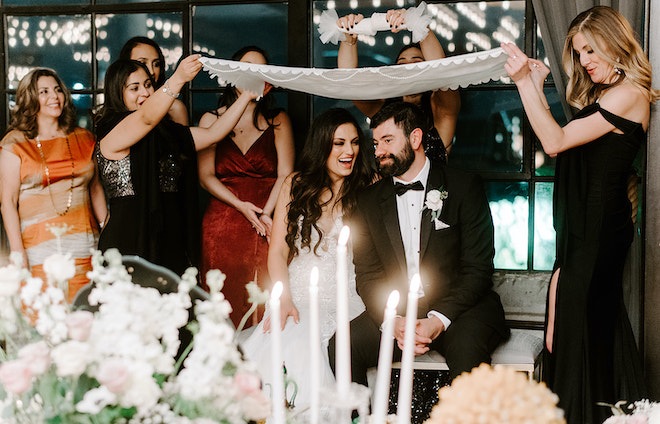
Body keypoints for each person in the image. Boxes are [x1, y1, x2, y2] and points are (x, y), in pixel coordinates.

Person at [501, 6, 656, 424]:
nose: (585, 61)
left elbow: (554, 141)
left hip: (598, 232)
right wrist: (534, 83)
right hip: (583, 232)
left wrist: (522, 84)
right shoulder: (606, 97)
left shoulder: (631, 93)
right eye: (579, 52)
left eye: (590, 49)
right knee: (578, 332)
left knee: (578, 333)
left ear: (614, 41)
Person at [332, 102, 508, 392]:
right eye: (376, 143)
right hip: (400, 312)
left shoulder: (464, 186)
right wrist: (394, 321)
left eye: (388, 141)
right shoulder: (368, 201)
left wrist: (437, 320)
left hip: (461, 310)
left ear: (415, 139)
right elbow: (367, 274)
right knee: (342, 345)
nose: (378, 151)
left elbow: (478, 269)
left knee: (469, 356)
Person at [240, 108, 374, 414]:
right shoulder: (295, 184)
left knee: (320, 344)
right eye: (339, 143)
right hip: (295, 292)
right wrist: (284, 297)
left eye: (354, 142)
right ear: (322, 145)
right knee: (284, 344)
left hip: (347, 296)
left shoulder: (368, 186)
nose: (349, 151)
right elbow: (277, 252)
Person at [95, 56, 259, 276]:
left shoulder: (166, 132)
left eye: (148, 85)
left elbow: (213, 134)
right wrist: (179, 78)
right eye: (134, 88)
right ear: (118, 93)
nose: (145, 93)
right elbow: (145, 118)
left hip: (168, 237)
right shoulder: (111, 132)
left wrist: (247, 95)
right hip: (127, 240)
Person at [198, 46, 295, 327]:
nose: (254, 74)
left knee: (263, 292)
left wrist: (266, 213)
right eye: (247, 68)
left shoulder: (278, 120)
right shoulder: (210, 120)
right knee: (222, 297)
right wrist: (241, 206)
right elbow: (205, 176)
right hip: (222, 220)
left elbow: (285, 174)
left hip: (267, 217)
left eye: (260, 69)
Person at [0, 68, 107, 302]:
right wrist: (18, 253)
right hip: (38, 249)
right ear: (30, 99)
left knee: (86, 315)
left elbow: (96, 188)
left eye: (58, 90)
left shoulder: (84, 137)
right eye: (44, 91)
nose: (54, 96)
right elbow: (7, 202)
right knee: (47, 319)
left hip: (86, 246)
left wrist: (108, 232)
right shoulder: (15, 143)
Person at [336, 8, 460, 163]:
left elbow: (442, 72)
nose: (408, 66)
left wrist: (417, 23)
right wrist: (349, 39)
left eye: (417, 62)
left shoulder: (441, 110)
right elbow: (350, 86)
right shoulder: (383, 110)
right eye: (402, 63)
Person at [120, 36, 189, 126]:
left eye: (156, 64)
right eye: (142, 63)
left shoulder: (174, 108)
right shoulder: (114, 111)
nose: (152, 71)